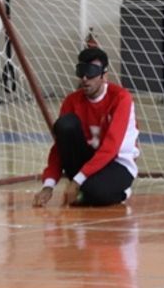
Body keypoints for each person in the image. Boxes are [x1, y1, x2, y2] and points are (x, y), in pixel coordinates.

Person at [32, 47, 140, 207]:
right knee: (64, 124)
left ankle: (120, 191)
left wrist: (77, 180)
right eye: (81, 72)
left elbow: (111, 147)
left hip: (117, 163)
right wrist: (48, 185)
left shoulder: (121, 98)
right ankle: (84, 188)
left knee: (95, 192)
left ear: (104, 76)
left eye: (91, 73)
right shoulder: (71, 101)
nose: (84, 78)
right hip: (86, 163)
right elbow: (59, 147)